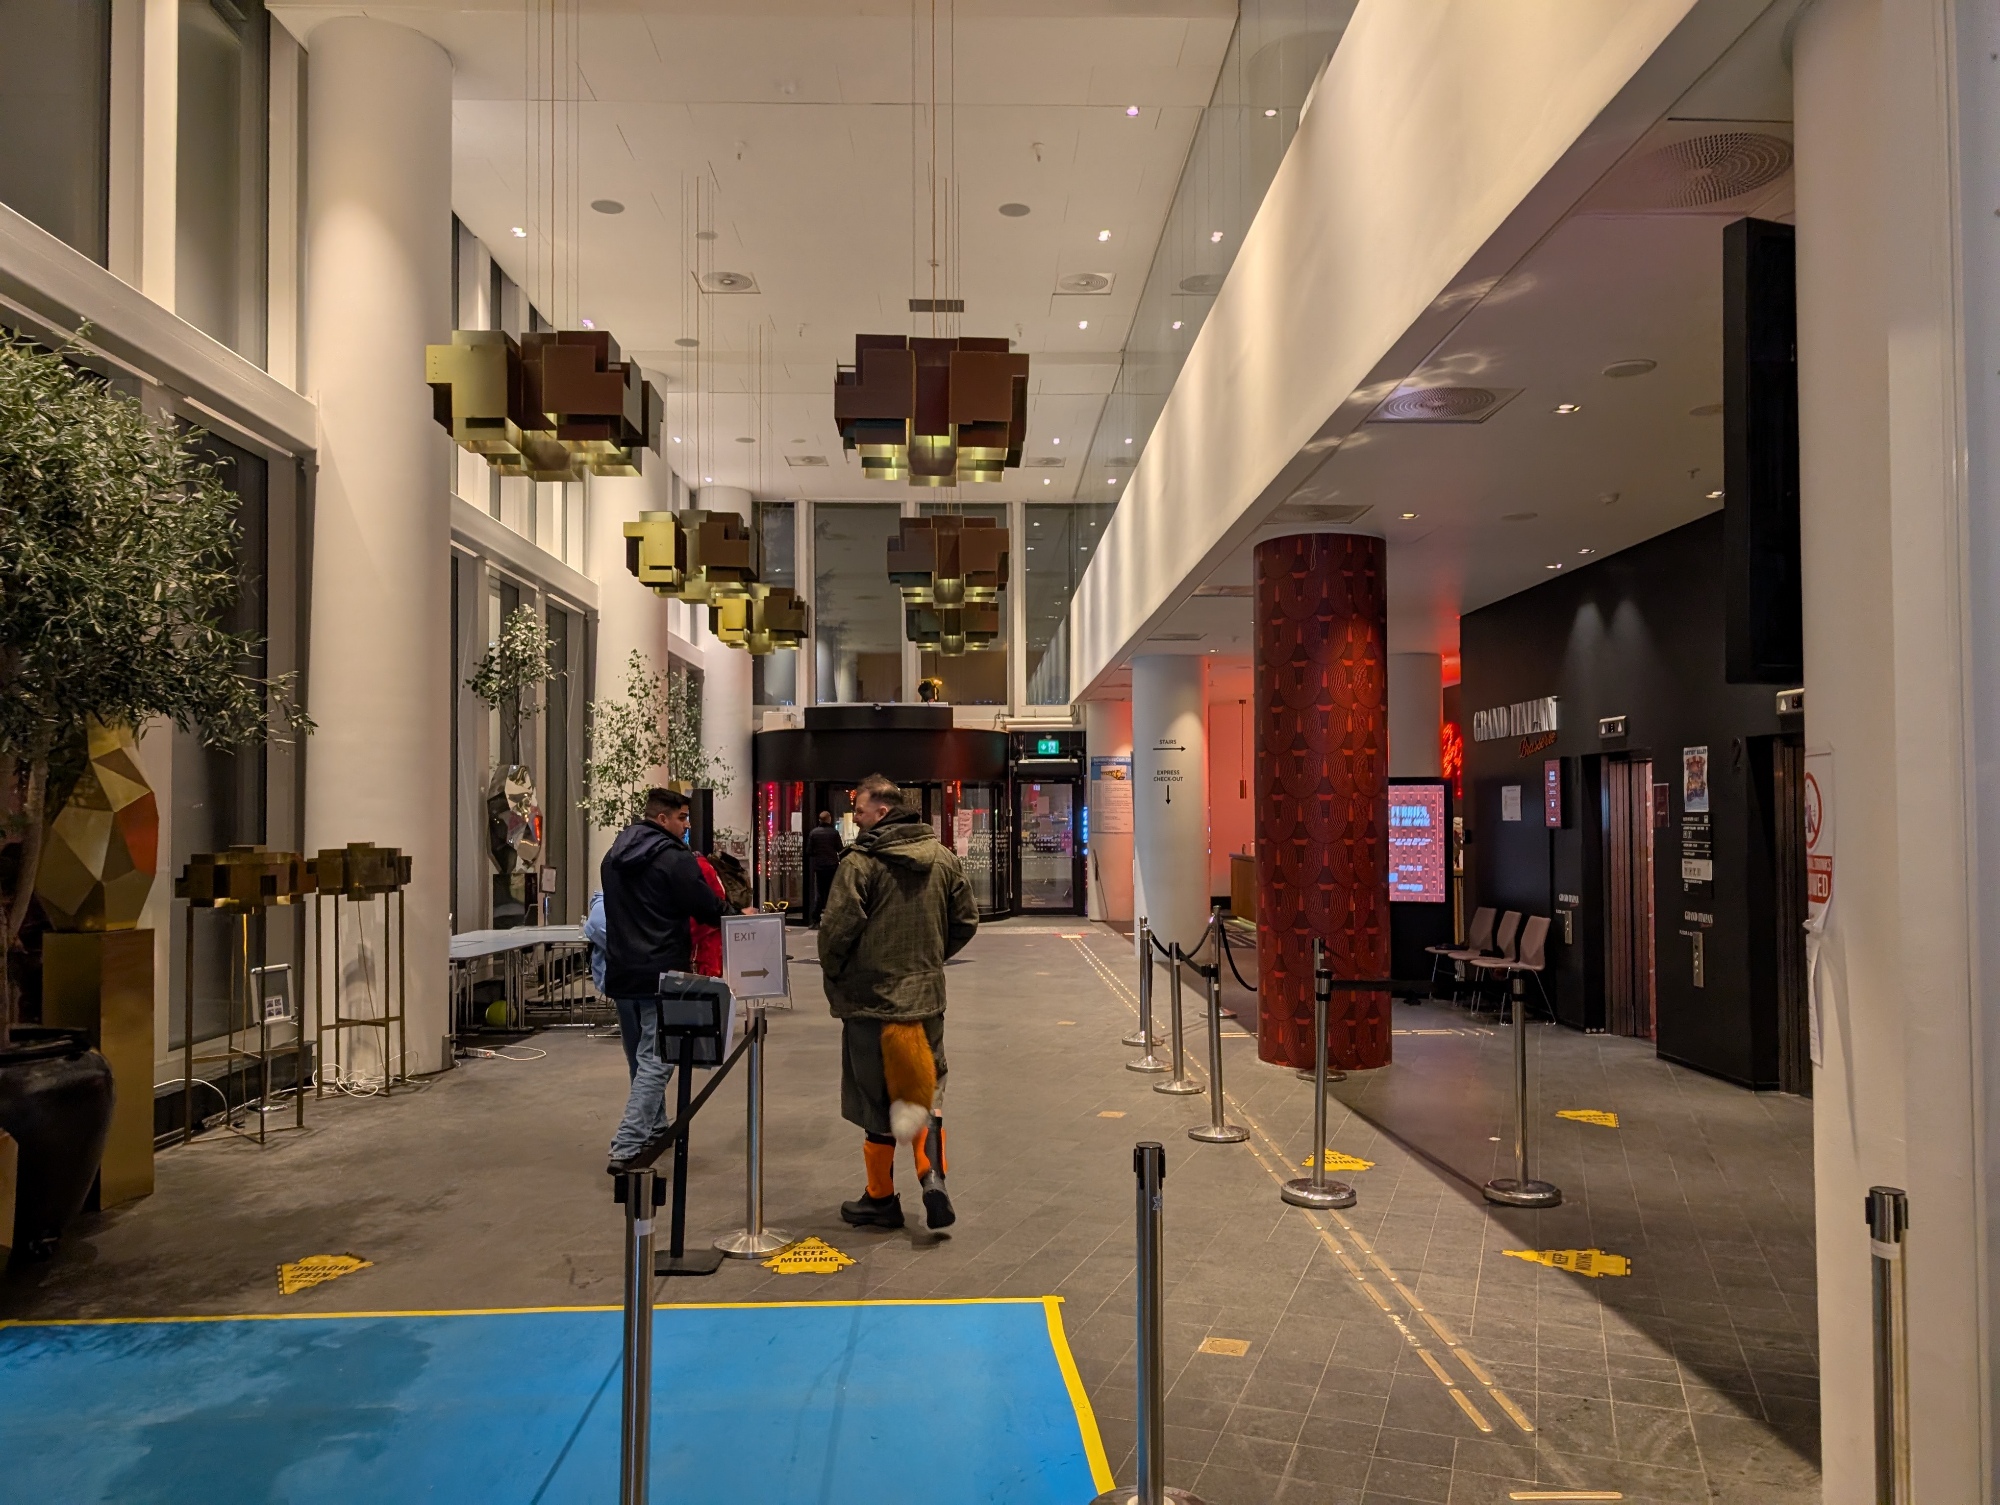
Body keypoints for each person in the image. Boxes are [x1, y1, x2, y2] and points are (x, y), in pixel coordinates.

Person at [817, 773, 977, 1231]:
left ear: (882, 812)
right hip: (925, 1001)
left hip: (871, 1004)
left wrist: (838, 972)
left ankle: (880, 1198)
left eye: (860, 811)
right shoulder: (943, 858)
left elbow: (837, 930)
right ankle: (932, 1176)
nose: (855, 818)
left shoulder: (861, 863)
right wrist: (930, 959)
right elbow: (966, 920)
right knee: (925, 1090)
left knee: (874, 1100)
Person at [600, 787, 730, 1172]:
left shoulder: (613, 856)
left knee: (640, 1060)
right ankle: (626, 1145)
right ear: (662, 819)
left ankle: (656, 1128)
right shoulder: (674, 859)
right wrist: (737, 915)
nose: (687, 826)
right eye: (682, 818)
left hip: (622, 972)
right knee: (657, 1061)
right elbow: (705, 906)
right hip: (660, 972)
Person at [804, 810, 845, 926]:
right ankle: (833, 917)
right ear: (829, 819)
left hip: (819, 866)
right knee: (833, 891)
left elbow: (809, 851)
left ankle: (816, 918)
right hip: (832, 865)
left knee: (820, 893)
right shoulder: (834, 833)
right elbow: (840, 848)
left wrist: (818, 854)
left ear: (820, 820)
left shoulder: (814, 833)